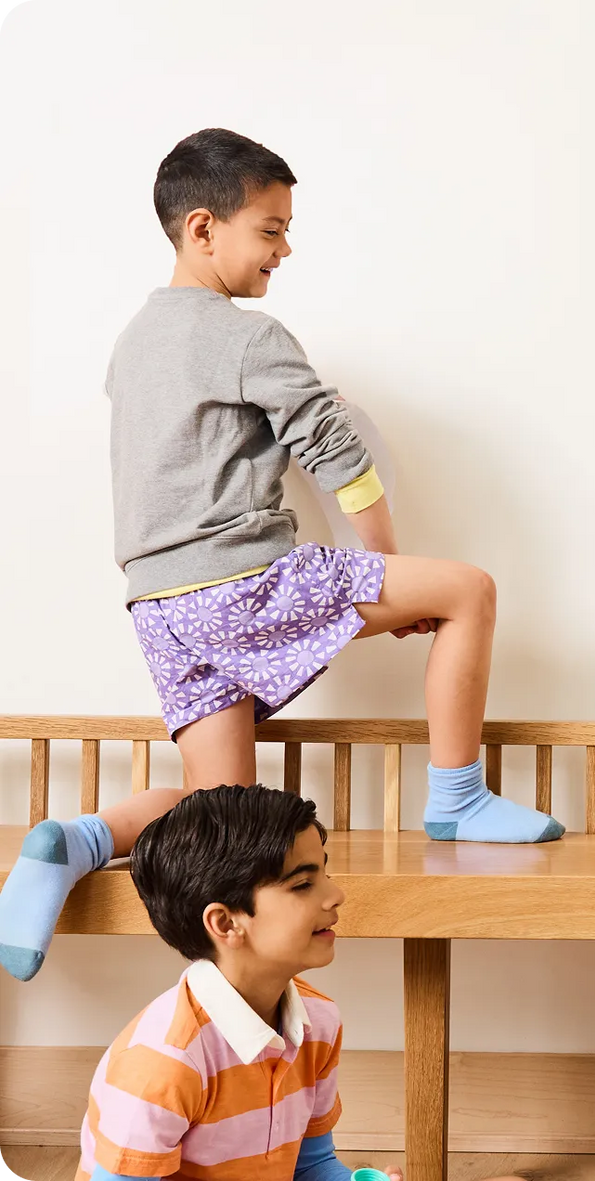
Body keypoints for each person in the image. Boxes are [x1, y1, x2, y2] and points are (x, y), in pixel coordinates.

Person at [0, 128, 563, 983]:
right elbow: (335, 447)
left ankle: (77, 838)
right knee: (466, 591)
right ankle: (456, 802)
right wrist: (385, 573)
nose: (285, 248)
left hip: (159, 608)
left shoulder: (132, 344)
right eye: (269, 229)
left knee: (215, 815)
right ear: (202, 229)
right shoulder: (244, 335)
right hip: (239, 582)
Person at [76, 784, 524, 1181]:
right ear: (226, 923)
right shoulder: (165, 1066)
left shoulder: (318, 1023)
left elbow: (310, 1166)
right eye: (304, 884)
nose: (336, 895)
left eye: (324, 873)